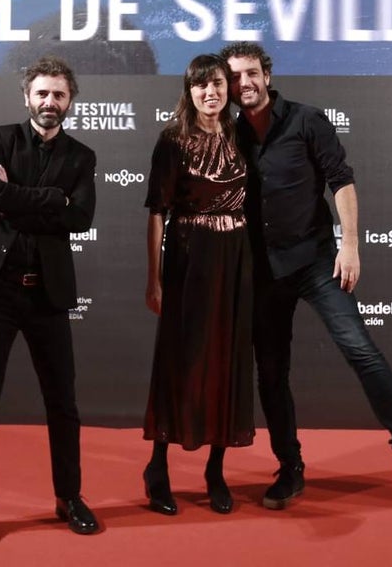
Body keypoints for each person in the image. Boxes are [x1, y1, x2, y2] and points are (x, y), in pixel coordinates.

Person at [223, 42, 392, 511]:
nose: (245, 83)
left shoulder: (306, 120)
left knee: (360, 347)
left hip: (317, 260)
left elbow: (340, 179)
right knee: (271, 373)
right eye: (235, 76)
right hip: (261, 272)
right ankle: (290, 467)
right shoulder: (228, 133)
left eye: (252, 73)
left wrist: (351, 245)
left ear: (267, 74)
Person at [0, 56, 99, 550]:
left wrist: (21, 196)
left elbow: (79, 218)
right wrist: (50, 199)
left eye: (58, 94)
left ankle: (69, 496)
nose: (49, 102)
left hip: (48, 295)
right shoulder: (0, 137)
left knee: (63, 404)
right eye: (42, 93)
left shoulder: (82, 155)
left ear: (70, 101)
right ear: (27, 97)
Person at [141, 54, 255, 516]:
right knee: (180, 362)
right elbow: (156, 213)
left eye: (218, 84)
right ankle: (158, 467)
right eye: (201, 85)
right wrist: (154, 278)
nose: (211, 92)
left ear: (228, 89)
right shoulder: (171, 141)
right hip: (188, 259)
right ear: (188, 92)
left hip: (236, 259)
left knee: (226, 361)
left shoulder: (243, 134)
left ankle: (215, 468)